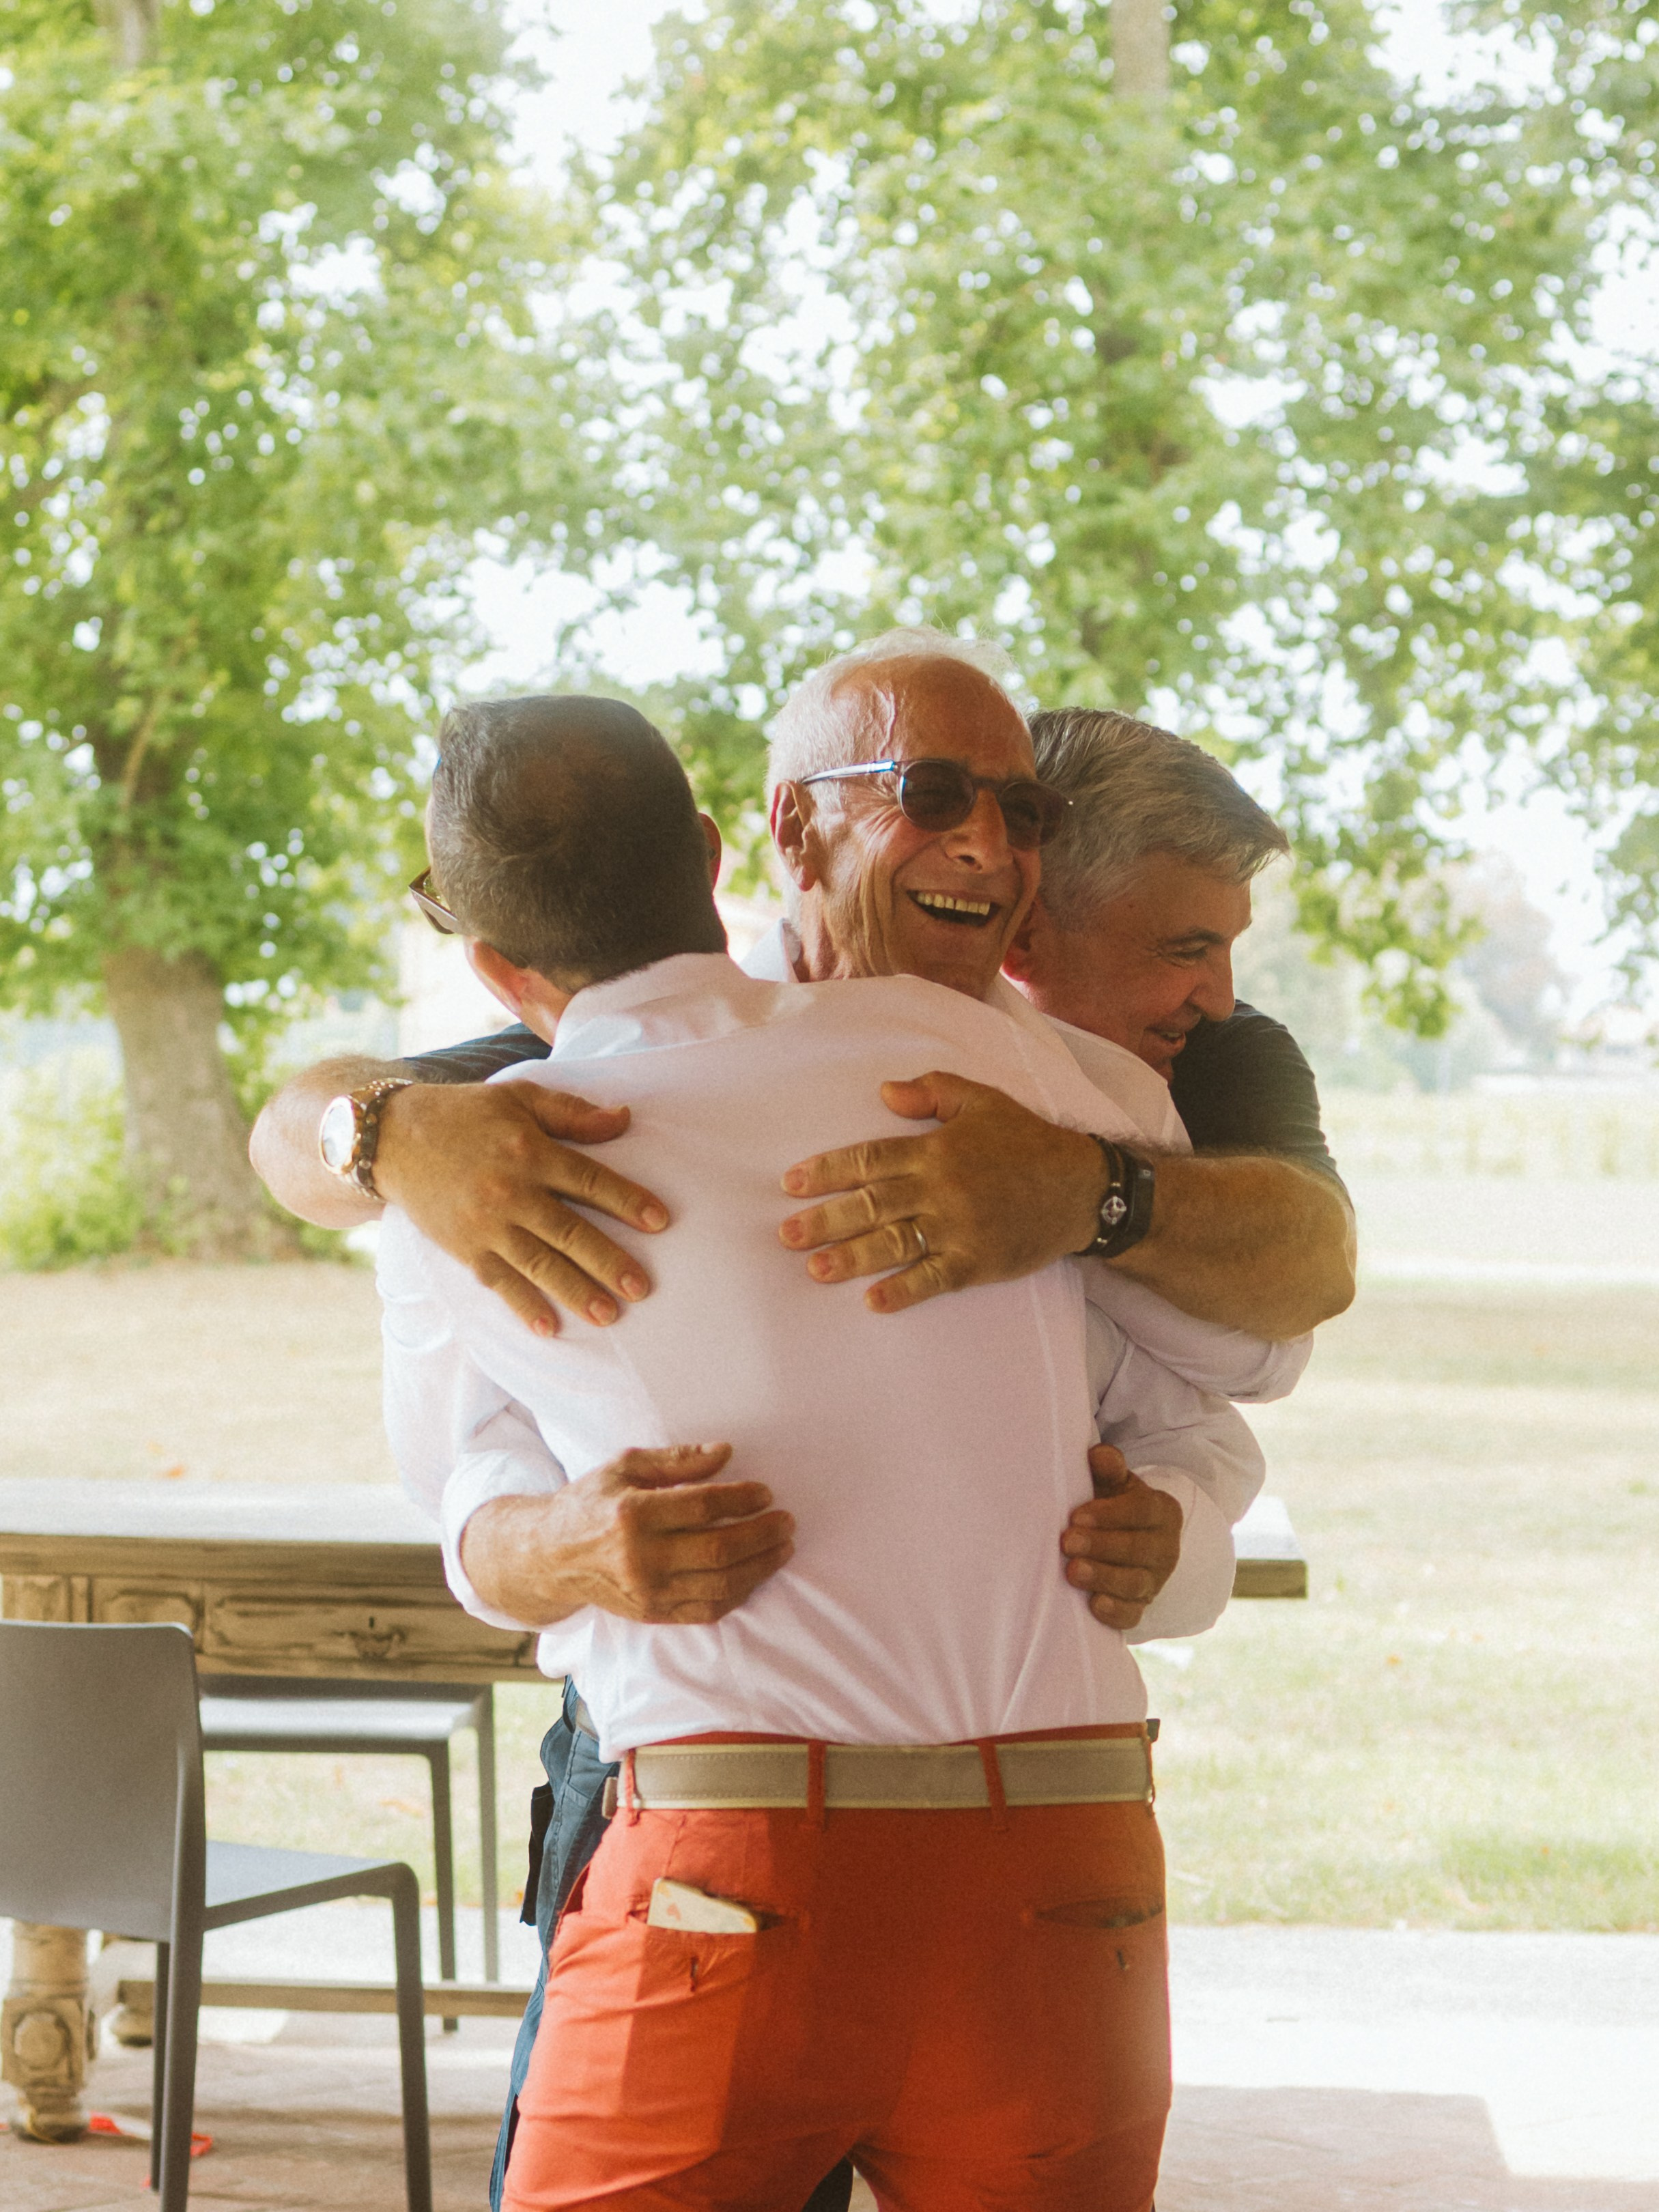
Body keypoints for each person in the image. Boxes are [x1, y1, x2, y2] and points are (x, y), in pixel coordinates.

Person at [379, 690, 1264, 2209]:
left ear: (488, 963)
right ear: (724, 853)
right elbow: (1252, 1348)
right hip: (1061, 1853)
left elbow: (480, 1537)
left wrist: (373, 1134)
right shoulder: (984, 1058)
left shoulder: (472, 1166)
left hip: (727, 1869)